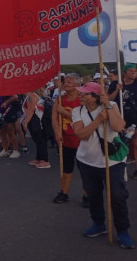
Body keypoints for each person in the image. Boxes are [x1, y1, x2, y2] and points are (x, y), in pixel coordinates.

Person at [72, 82, 134, 250]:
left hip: (112, 161)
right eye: (81, 93)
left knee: (117, 196)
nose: (81, 96)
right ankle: (98, 223)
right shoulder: (77, 111)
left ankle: (122, 230)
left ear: (96, 97)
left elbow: (119, 126)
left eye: (85, 94)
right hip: (87, 161)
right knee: (93, 195)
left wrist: (107, 105)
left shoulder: (111, 105)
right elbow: (81, 135)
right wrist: (98, 120)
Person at [52, 73, 87, 205]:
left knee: (84, 170)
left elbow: (84, 121)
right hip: (65, 139)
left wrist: (65, 113)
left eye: (69, 82)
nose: (65, 84)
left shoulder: (82, 99)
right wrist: (57, 133)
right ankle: (64, 192)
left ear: (77, 84)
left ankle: (86, 195)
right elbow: (54, 117)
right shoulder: (60, 99)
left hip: (81, 140)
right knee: (66, 169)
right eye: (65, 82)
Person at [108, 64, 137, 179]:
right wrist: (117, 89)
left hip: (135, 119)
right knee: (119, 143)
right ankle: (120, 168)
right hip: (119, 119)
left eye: (135, 71)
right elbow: (109, 99)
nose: (134, 72)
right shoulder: (116, 83)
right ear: (125, 72)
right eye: (131, 70)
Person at [22, 88, 50, 168]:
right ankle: (39, 158)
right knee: (37, 140)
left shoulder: (32, 96)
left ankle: (45, 160)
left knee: (40, 140)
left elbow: (31, 110)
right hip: (34, 119)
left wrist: (26, 122)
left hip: (37, 120)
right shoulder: (29, 96)